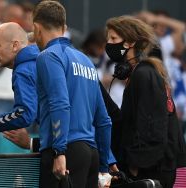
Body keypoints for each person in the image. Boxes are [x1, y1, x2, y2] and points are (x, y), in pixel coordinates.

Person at [32, 1, 112, 187]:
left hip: (65, 153)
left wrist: (59, 152)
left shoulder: (48, 56)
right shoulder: (86, 61)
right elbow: (103, 119)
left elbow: (60, 103)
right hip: (91, 154)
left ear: (36, 28)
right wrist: (104, 165)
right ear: (64, 27)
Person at [103, 15, 186, 188]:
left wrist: (135, 166)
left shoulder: (143, 74)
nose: (109, 43)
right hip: (150, 168)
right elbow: (126, 122)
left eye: (113, 38)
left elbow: (152, 126)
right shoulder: (140, 73)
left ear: (130, 42)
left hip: (150, 170)